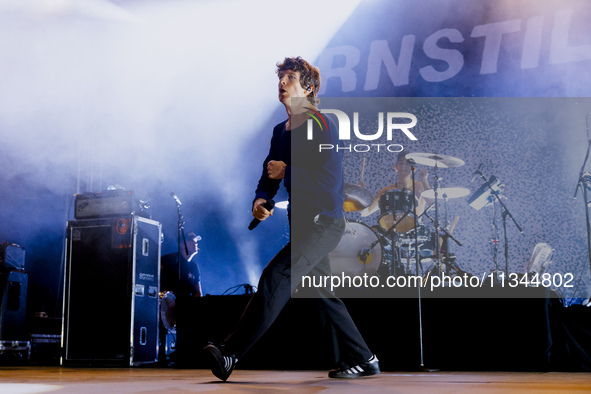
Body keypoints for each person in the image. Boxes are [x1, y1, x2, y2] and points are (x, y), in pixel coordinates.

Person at [204, 56, 379, 380]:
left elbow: (328, 180)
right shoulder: (280, 131)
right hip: (300, 223)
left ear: (308, 87)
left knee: (276, 277)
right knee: (323, 295)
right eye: (281, 77)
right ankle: (363, 358)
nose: (282, 83)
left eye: (290, 78)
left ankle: (230, 354)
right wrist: (260, 199)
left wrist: (288, 171)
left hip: (324, 222)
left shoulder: (321, 124)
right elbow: (269, 175)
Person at [160, 231, 203, 298]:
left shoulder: (194, 266)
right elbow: (153, 275)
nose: (195, 242)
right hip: (166, 304)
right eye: (191, 240)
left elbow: (198, 294)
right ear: (182, 245)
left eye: (196, 240)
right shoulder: (169, 259)